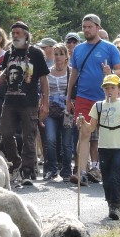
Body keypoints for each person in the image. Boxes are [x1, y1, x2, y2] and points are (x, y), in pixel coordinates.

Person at [0, 22, 49, 186]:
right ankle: (16, 163)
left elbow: (44, 80)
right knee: (6, 133)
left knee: (29, 137)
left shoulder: (36, 53)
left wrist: (45, 103)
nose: (15, 35)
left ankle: (28, 170)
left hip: (29, 102)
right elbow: (4, 76)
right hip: (10, 101)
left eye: (18, 33)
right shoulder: (9, 54)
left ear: (26, 35)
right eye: (13, 33)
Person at [68, 14, 120, 186]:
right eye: (84, 27)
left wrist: (111, 73)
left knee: (106, 135)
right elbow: (74, 74)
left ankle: (103, 169)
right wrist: (69, 96)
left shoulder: (110, 48)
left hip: (105, 98)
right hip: (83, 97)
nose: (86, 30)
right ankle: (82, 172)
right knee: (84, 133)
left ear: (98, 27)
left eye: (89, 27)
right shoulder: (78, 49)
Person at [80, 73, 120, 221]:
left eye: (112, 87)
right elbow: (91, 128)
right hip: (103, 147)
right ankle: (110, 202)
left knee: (114, 176)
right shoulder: (98, 106)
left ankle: (116, 205)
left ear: (119, 89)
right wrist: (83, 122)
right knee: (106, 177)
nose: (109, 90)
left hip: (118, 146)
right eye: (106, 88)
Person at [43, 43, 75, 182]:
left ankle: (67, 170)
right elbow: (42, 92)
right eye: (56, 54)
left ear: (66, 56)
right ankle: (52, 169)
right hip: (51, 110)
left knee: (67, 142)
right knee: (50, 139)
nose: (58, 57)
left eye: (61, 54)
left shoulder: (71, 72)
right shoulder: (47, 72)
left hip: (67, 111)